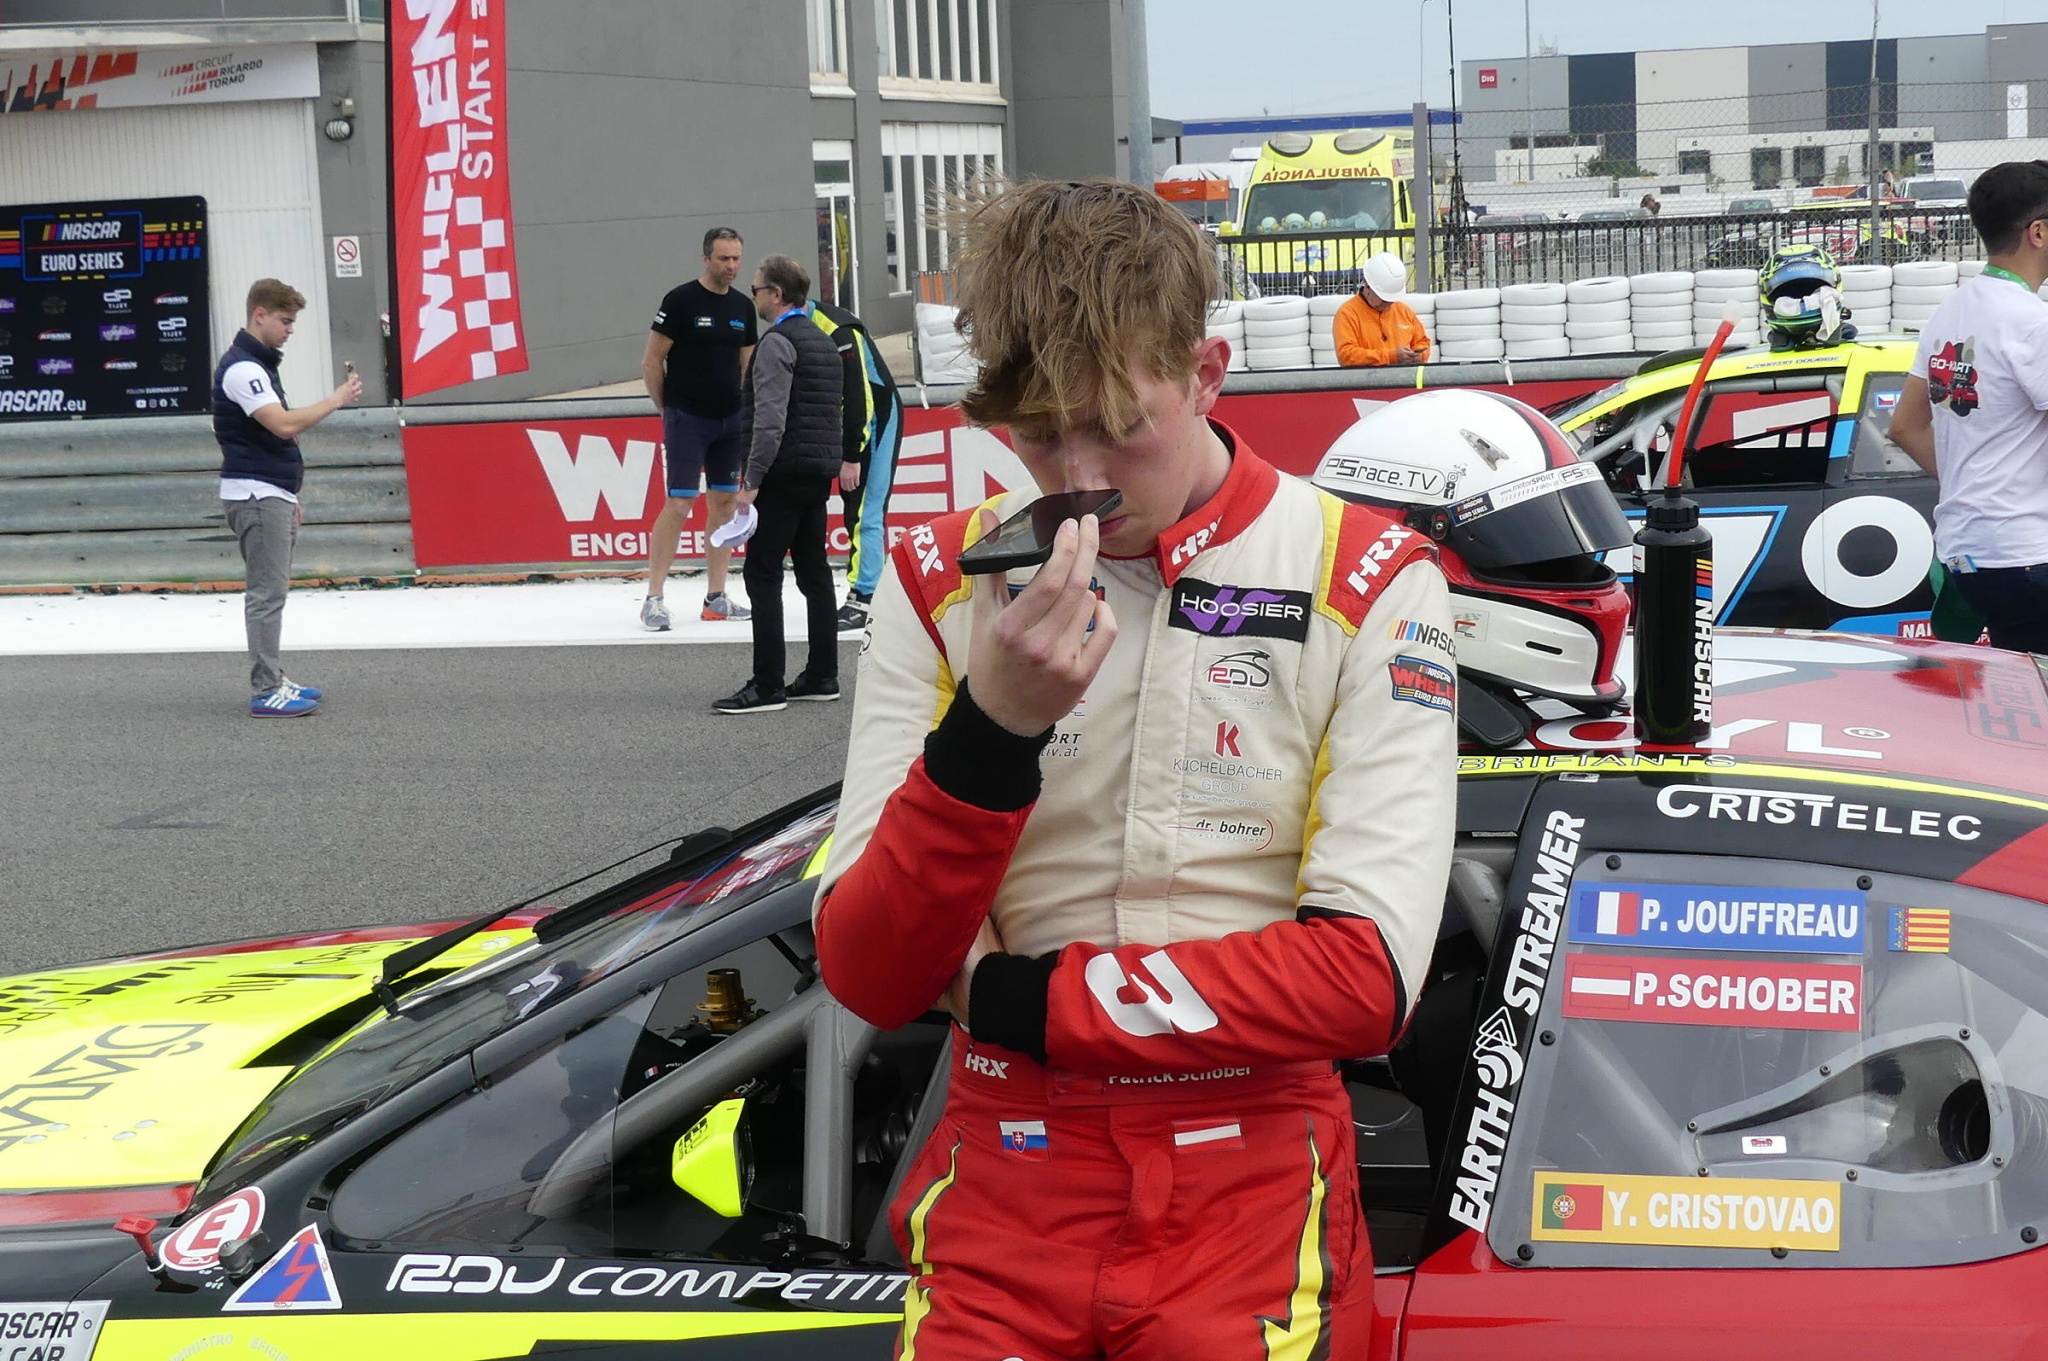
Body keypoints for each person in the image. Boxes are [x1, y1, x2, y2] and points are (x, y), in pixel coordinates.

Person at [813, 179, 1455, 1357]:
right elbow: (867, 966)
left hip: (1253, 1184)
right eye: (1035, 432)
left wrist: (1017, 1000)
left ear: (1207, 374)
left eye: (1115, 424)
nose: (1076, 474)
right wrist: (991, 732)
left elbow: (1361, 980)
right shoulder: (937, 577)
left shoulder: (1365, 576)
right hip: (1004, 1172)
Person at [1888, 160, 2048, 653]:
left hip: (1968, 554)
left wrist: (1974, 487)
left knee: (2020, 692)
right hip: (2028, 554)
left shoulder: (1950, 311)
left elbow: (1904, 426)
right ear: (2038, 233)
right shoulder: (2032, 323)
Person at [214, 278, 360, 718]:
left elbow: (273, 436)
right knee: (266, 595)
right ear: (259, 314)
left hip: (268, 493)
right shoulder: (243, 369)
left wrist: (287, 496)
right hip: (256, 495)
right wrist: (336, 399)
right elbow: (283, 425)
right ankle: (265, 690)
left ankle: (274, 678)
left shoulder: (257, 365)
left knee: (271, 592)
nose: (290, 330)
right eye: (285, 320)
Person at [713, 256, 843, 715]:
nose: (754, 297)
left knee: (762, 572)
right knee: (814, 572)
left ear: (777, 294)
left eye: (756, 290)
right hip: (816, 471)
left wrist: (751, 481)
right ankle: (822, 674)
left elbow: (770, 421)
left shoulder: (777, 343)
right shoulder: (824, 341)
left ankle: (767, 684)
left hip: (781, 472)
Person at [639, 227, 757, 630]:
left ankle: (716, 597)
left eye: (736, 258)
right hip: (687, 418)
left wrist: (747, 414)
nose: (731, 266)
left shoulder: (743, 307)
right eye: (724, 258)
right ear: (706, 259)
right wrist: (667, 409)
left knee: (724, 504)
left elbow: (748, 368)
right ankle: (653, 598)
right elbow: (651, 361)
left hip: (730, 421)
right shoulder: (680, 301)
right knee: (679, 504)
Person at [806, 297, 903, 631]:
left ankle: (865, 597)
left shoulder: (838, 327)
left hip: (876, 419)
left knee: (865, 510)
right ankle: (871, 590)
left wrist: (851, 455)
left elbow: (861, 394)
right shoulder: (801, 320)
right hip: (853, 423)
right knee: (855, 508)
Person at [1333, 251, 1431, 367]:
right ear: (1367, 286)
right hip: (1367, 378)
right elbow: (1346, 356)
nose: (1388, 304)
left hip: (1404, 377)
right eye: (1384, 299)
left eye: (1392, 300)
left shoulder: (1404, 311)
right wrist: (1392, 357)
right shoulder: (1347, 314)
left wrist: (1419, 356)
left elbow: (1423, 342)